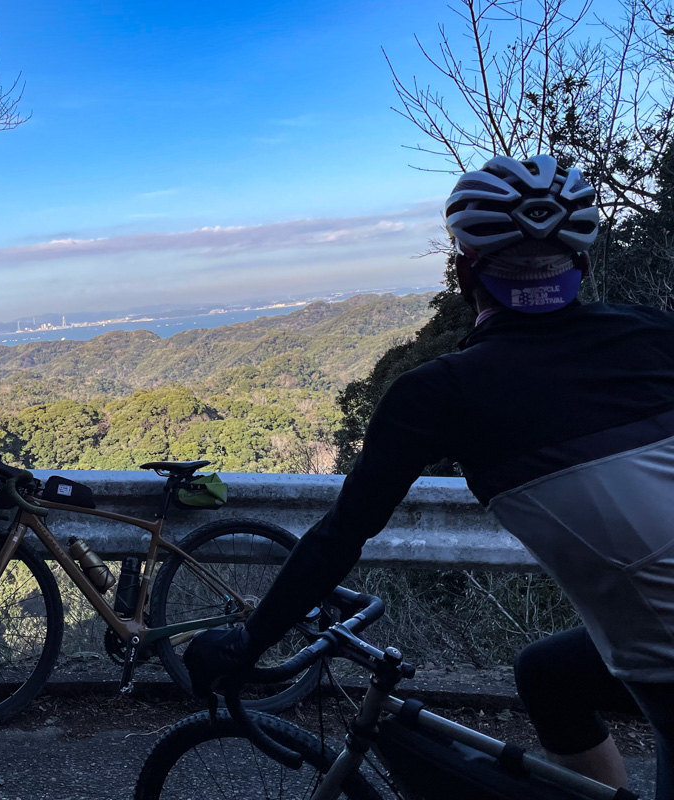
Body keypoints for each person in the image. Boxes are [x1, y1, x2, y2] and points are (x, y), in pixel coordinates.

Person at [185, 154, 674, 796]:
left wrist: (249, 643)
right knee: (548, 676)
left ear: (462, 270)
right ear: (582, 262)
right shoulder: (656, 333)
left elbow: (342, 534)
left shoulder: (440, 394)